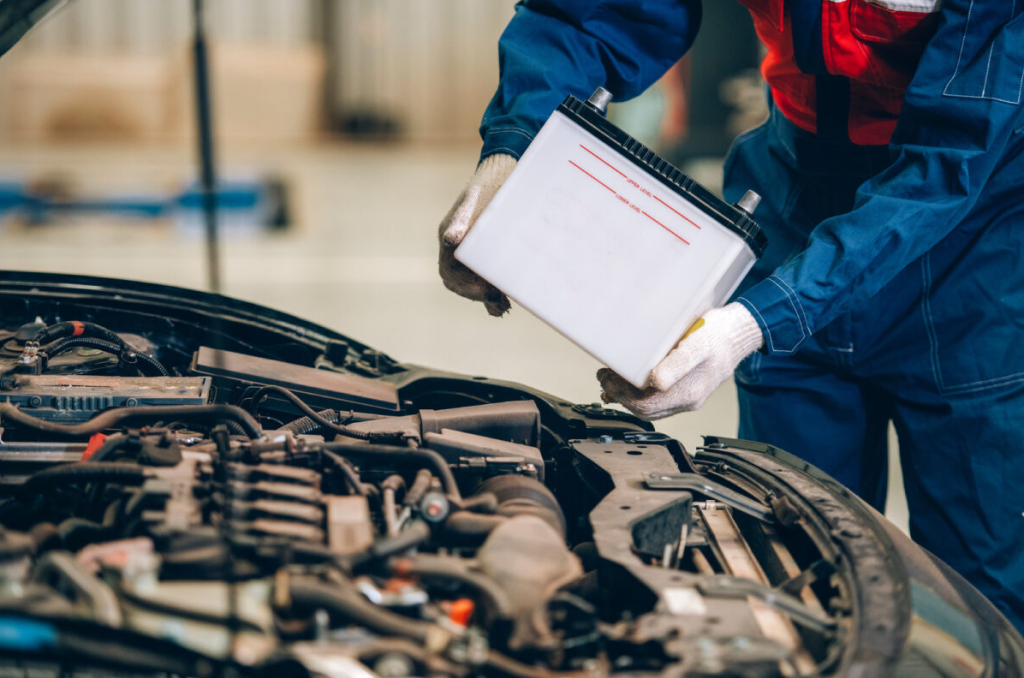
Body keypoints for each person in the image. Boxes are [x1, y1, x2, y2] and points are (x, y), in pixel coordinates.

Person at [436, 0, 1024, 634]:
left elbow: (950, 159)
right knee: (793, 573)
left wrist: (752, 321)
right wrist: (514, 149)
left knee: (977, 600)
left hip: (969, 250)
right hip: (794, 199)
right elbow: (590, 15)